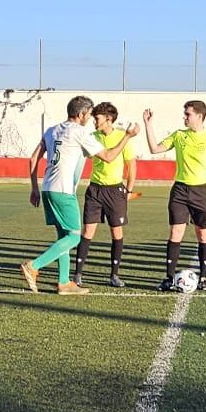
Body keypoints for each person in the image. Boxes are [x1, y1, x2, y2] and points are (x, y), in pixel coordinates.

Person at [21, 95, 136, 294]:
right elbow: (108, 157)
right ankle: (34, 266)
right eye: (89, 114)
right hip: (64, 191)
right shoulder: (80, 132)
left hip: (48, 188)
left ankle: (64, 282)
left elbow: (33, 158)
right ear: (81, 114)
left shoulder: (51, 130)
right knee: (74, 237)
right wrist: (127, 136)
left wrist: (33, 188)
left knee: (63, 236)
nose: (91, 118)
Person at [144, 100, 206, 291]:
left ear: (199, 116)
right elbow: (155, 149)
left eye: (188, 114)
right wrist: (149, 125)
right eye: (185, 114)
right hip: (180, 190)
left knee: (202, 234)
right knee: (175, 233)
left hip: (203, 191)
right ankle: (169, 277)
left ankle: (204, 277)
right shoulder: (179, 135)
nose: (185, 117)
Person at [76, 102, 137, 289]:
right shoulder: (91, 137)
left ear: (108, 119)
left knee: (117, 233)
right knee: (87, 232)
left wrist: (129, 190)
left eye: (98, 118)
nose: (95, 121)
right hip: (95, 190)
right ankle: (77, 274)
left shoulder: (122, 137)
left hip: (115, 191)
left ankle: (114, 275)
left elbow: (131, 165)